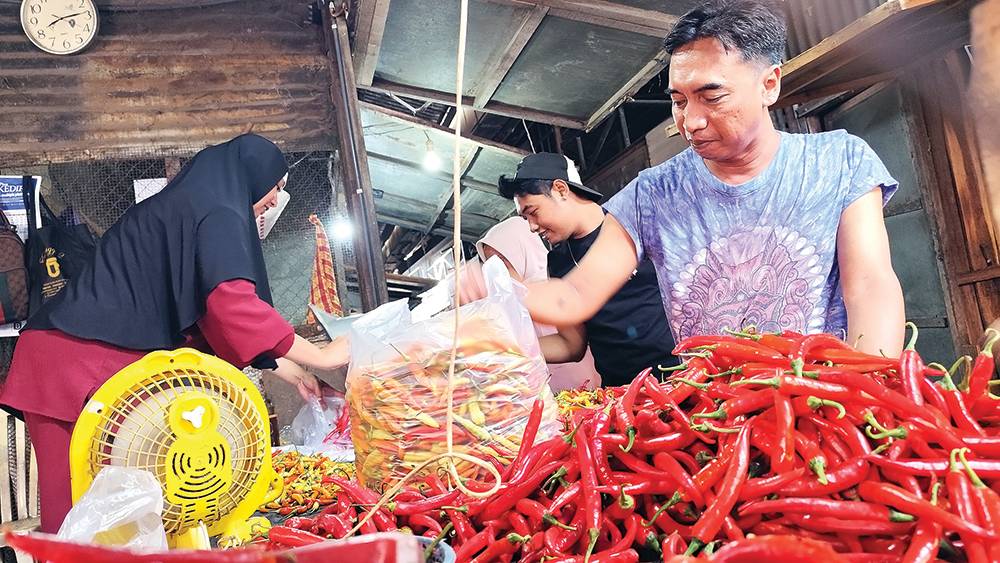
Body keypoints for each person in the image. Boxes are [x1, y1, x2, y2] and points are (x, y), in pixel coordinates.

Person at [461, 0, 905, 358]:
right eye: (677, 100)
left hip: (820, 403)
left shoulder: (839, 161)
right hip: (709, 418)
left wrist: (869, 383)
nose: (690, 120)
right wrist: (499, 287)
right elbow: (574, 295)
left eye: (711, 96)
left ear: (769, 85)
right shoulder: (651, 195)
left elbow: (869, 284)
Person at [0, 133, 350, 533]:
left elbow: (211, 319)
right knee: (75, 511)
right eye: (277, 186)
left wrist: (295, 373)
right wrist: (324, 356)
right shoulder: (217, 211)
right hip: (69, 362)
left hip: (87, 359)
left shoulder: (193, 205)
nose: (275, 200)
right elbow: (230, 305)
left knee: (111, 508)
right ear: (252, 175)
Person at [493, 154, 679, 387]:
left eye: (533, 212)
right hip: (619, 393)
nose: (532, 227)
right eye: (525, 218)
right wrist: (503, 347)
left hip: (682, 377)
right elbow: (571, 345)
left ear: (561, 190)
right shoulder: (558, 262)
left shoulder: (630, 223)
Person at [476, 216, 601, 391]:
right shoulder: (507, 303)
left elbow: (573, 346)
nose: (497, 270)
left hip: (584, 386)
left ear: (522, 249)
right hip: (544, 395)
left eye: (502, 260)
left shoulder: (557, 283)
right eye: (491, 263)